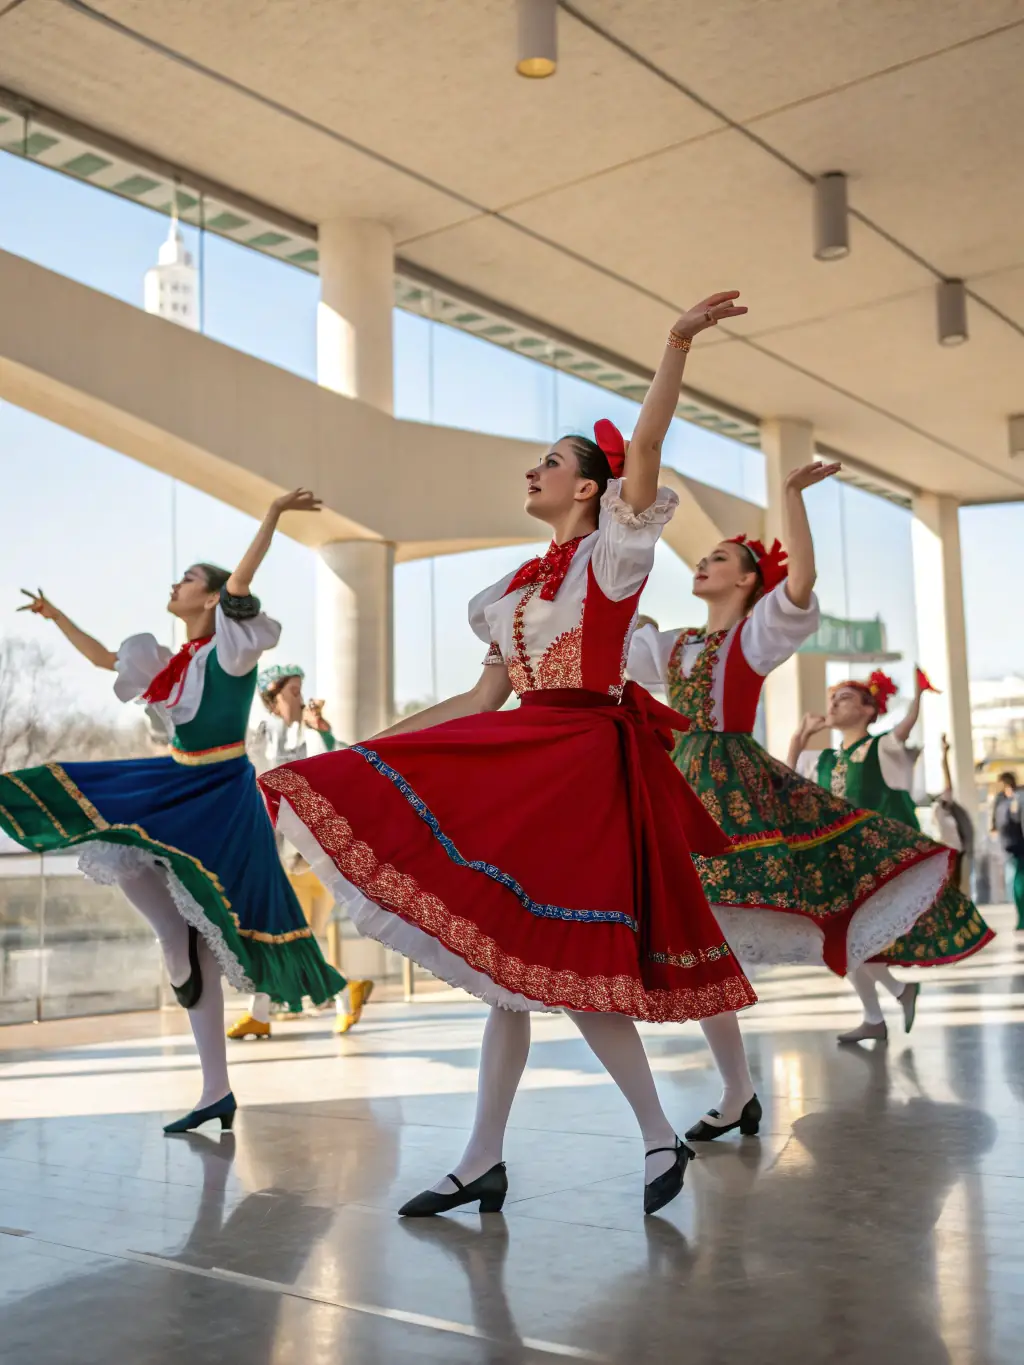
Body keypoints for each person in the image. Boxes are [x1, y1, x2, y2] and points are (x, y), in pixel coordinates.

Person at [260, 292, 757, 1218]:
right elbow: (480, 700)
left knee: (565, 956)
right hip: (527, 755)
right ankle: (485, 1157)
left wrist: (674, 345)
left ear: (588, 489)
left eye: (553, 462)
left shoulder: (613, 557)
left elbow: (643, 454)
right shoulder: (514, 591)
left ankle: (652, 1134)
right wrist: (364, 753)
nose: (533, 469)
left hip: (582, 767)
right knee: (513, 976)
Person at [627, 470, 984, 1134]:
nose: (703, 563)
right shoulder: (674, 645)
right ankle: (738, 1088)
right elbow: (617, 630)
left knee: (712, 935)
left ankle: (743, 1086)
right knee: (696, 939)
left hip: (733, 788)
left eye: (720, 559)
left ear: (744, 582)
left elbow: (799, 585)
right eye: (704, 558)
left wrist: (791, 496)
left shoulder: (753, 635)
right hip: (681, 788)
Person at [1, 491, 345, 1133]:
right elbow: (106, 657)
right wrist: (55, 615)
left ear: (211, 599)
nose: (175, 583)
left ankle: (213, 1069)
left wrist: (271, 515)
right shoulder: (170, 662)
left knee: (206, 929)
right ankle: (213, 1080)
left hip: (219, 793)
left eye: (188, 578)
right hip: (176, 782)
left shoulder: (232, 650)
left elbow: (242, 585)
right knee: (166, 919)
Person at [789, 670, 993, 1042]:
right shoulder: (821, 759)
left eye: (845, 698)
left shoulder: (880, 748)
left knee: (847, 941)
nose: (833, 703)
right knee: (841, 942)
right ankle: (890, 1002)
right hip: (833, 867)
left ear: (869, 709)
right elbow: (784, 787)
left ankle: (883, 1008)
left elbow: (903, 727)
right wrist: (797, 740)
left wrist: (917, 697)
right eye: (833, 698)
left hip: (870, 865)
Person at [227, 666, 374, 1040]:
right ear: (273, 699)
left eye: (299, 691)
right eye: (292, 692)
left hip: (298, 856)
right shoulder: (261, 736)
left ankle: (336, 994)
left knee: (283, 932)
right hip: (270, 850)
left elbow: (333, 769)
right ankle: (326, 996)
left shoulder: (308, 735)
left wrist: (321, 731)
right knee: (275, 932)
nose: (300, 698)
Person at [931, 733, 974, 898]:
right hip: (944, 851)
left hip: (955, 850)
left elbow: (947, 780)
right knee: (948, 886)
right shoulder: (936, 810)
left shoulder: (944, 806)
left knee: (954, 885)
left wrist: (944, 755)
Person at [992, 771, 1024, 929]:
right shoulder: (1002, 800)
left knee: (1017, 881)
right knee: (1016, 882)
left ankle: (1022, 918)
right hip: (1011, 846)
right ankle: (1021, 918)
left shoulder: (1016, 798)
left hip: (1016, 845)